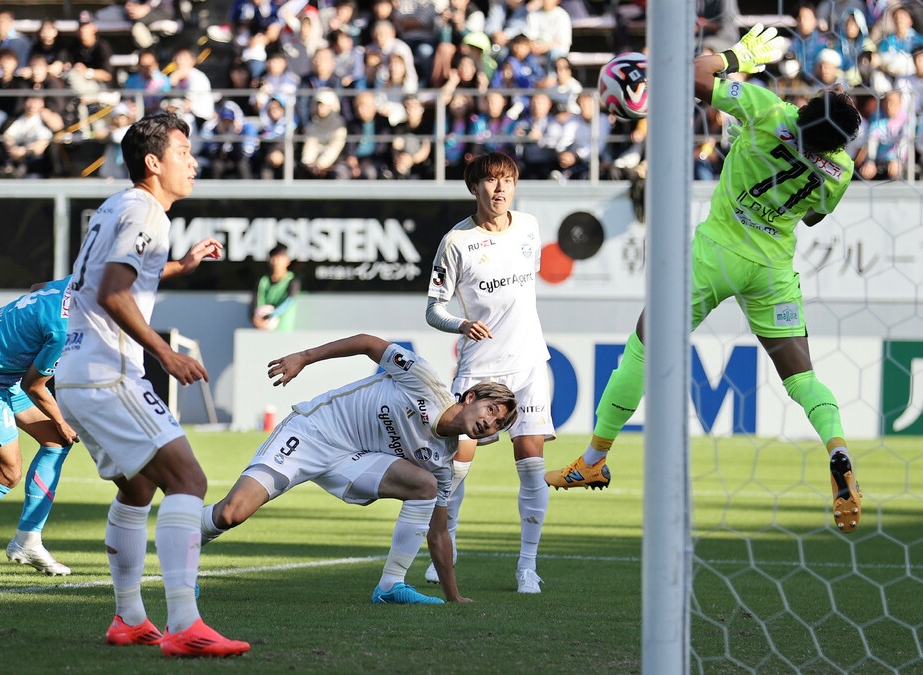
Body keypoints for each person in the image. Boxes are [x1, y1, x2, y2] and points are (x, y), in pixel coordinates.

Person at [545, 25, 865, 535]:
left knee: (643, 350)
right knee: (802, 376)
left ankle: (592, 459)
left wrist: (735, 58)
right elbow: (811, 219)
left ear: (805, 112)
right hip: (772, 272)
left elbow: (693, 75)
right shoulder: (841, 169)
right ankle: (838, 447)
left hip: (714, 255)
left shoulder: (766, 109)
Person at [54, 113, 250, 656]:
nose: (193, 161)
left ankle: (130, 619)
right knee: (189, 479)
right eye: (183, 150)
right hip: (108, 373)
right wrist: (165, 353)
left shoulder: (119, 205)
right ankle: (185, 624)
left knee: (138, 488)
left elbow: (109, 276)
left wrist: (180, 266)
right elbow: (114, 291)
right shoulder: (147, 211)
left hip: (75, 372)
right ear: (153, 162)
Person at [200, 334, 518, 604]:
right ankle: (184, 539)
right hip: (314, 432)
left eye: (498, 424)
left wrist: (454, 597)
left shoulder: (441, 462)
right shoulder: (424, 380)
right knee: (232, 513)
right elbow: (367, 343)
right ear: (471, 397)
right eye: (491, 410)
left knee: (426, 485)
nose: (490, 422)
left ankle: (390, 585)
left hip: (351, 460)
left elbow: (438, 533)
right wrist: (304, 357)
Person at [423, 151, 554, 593]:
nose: (500, 189)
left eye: (508, 181)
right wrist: (461, 324)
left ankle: (527, 568)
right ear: (474, 188)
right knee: (455, 468)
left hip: (530, 364)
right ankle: (447, 544)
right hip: (479, 368)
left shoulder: (530, 227)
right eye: (492, 181)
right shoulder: (455, 242)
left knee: (532, 467)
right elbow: (433, 309)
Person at [0, 278, 78, 576]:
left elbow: (37, 288)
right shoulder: (63, 328)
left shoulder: (71, 284)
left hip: (6, 375)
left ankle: (28, 539)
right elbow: (34, 385)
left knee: (56, 441)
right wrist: (63, 421)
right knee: (8, 471)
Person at [252, 244, 300, 330]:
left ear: (287, 261)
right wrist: (256, 317)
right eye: (274, 258)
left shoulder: (292, 281)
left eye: (280, 258)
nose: (276, 262)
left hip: (284, 329)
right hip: (262, 329)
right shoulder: (262, 281)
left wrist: (270, 316)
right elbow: (256, 300)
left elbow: (288, 302)